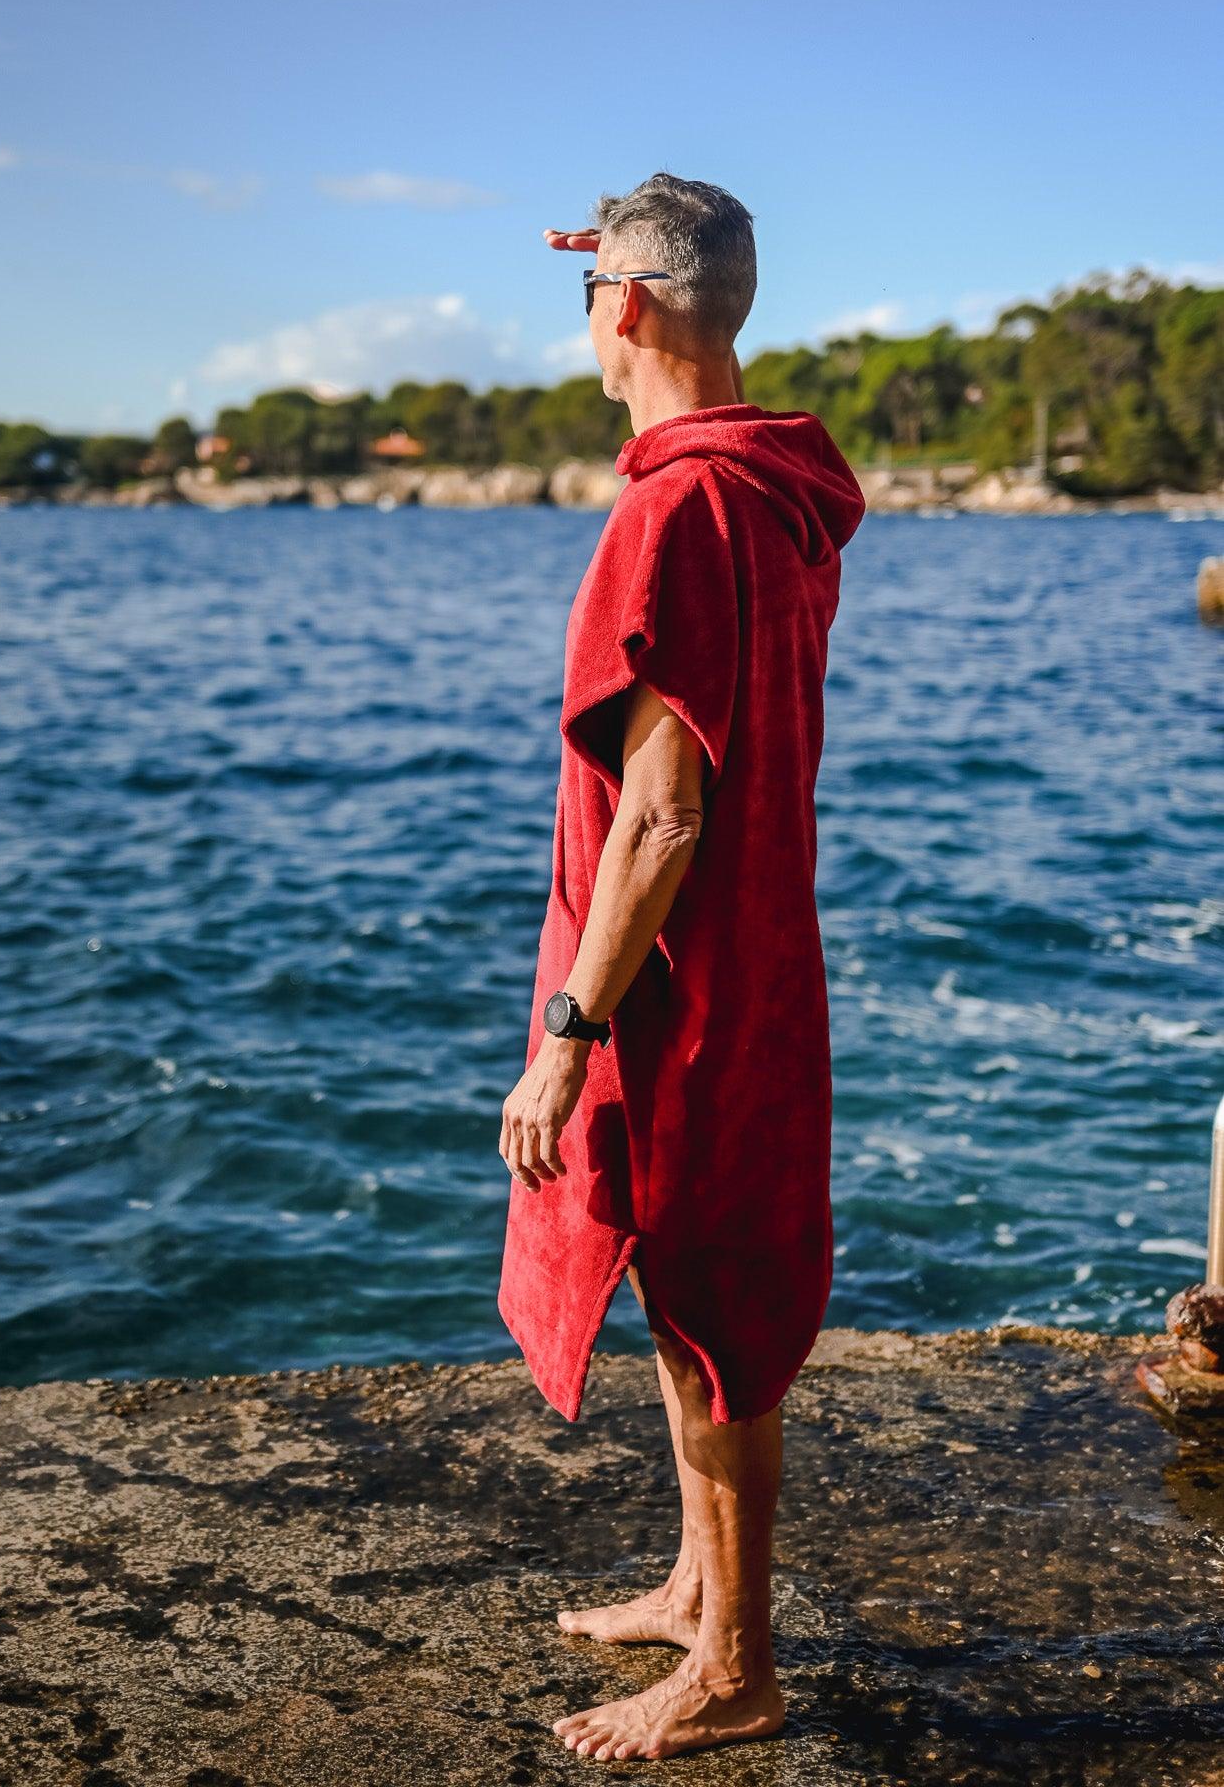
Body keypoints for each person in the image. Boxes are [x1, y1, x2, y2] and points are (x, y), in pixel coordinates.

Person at [496, 172, 866, 1763]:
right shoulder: (773, 489)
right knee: (682, 1282)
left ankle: (738, 1667)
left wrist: (569, 1030)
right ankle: (695, 1589)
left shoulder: (676, 505)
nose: (587, 316)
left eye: (591, 290)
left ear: (626, 309)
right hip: (758, 953)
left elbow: (660, 814)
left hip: (685, 985)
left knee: (712, 1304)